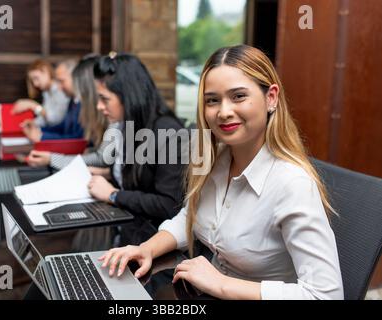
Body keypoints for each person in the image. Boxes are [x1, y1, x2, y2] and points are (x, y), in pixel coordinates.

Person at [98, 45, 344, 300]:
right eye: (212, 100)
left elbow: (326, 295)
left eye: (238, 96)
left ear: (271, 98)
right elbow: (191, 217)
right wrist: (147, 249)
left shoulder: (292, 184)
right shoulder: (218, 161)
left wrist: (222, 284)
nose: (224, 112)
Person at [87, 52, 188, 227]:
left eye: (105, 99)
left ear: (129, 96)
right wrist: (105, 173)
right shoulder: (126, 124)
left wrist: (113, 194)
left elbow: (169, 205)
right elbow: (139, 177)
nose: (99, 106)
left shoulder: (168, 132)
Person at [24, 55, 116, 169]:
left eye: (62, 81)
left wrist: (49, 153)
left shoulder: (113, 116)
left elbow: (95, 152)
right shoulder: (76, 102)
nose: (59, 87)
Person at [21, 59, 84, 142]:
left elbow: (78, 139)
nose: (35, 84)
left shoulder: (82, 102)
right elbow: (63, 127)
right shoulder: (73, 100)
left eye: (61, 81)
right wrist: (38, 130)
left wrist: (42, 136)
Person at [12, 59, 69, 127]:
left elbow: (55, 120)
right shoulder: (46, 93)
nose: (35, 84)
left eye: (36, 78)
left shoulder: (61, 89)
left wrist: (33, 105)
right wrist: (32, 123)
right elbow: (45, 120)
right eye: (32, 81)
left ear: (46, 71)